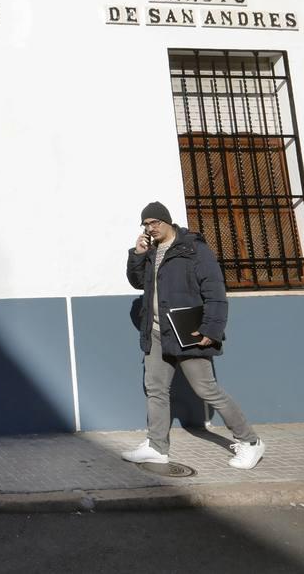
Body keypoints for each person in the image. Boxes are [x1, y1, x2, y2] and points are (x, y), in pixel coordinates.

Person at [121, 201, 266, 470]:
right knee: (156, 390)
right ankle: (156, 447)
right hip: (155, 332)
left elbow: (215, 291)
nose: (151, 229)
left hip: (187, 332)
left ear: (167, 222)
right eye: (146, 225)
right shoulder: (152, 252)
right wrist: (138, 254)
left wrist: (212, 329)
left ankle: (250, 442)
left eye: (155, 223)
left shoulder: (194, 249)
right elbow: (139, 282)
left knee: (207, 389)